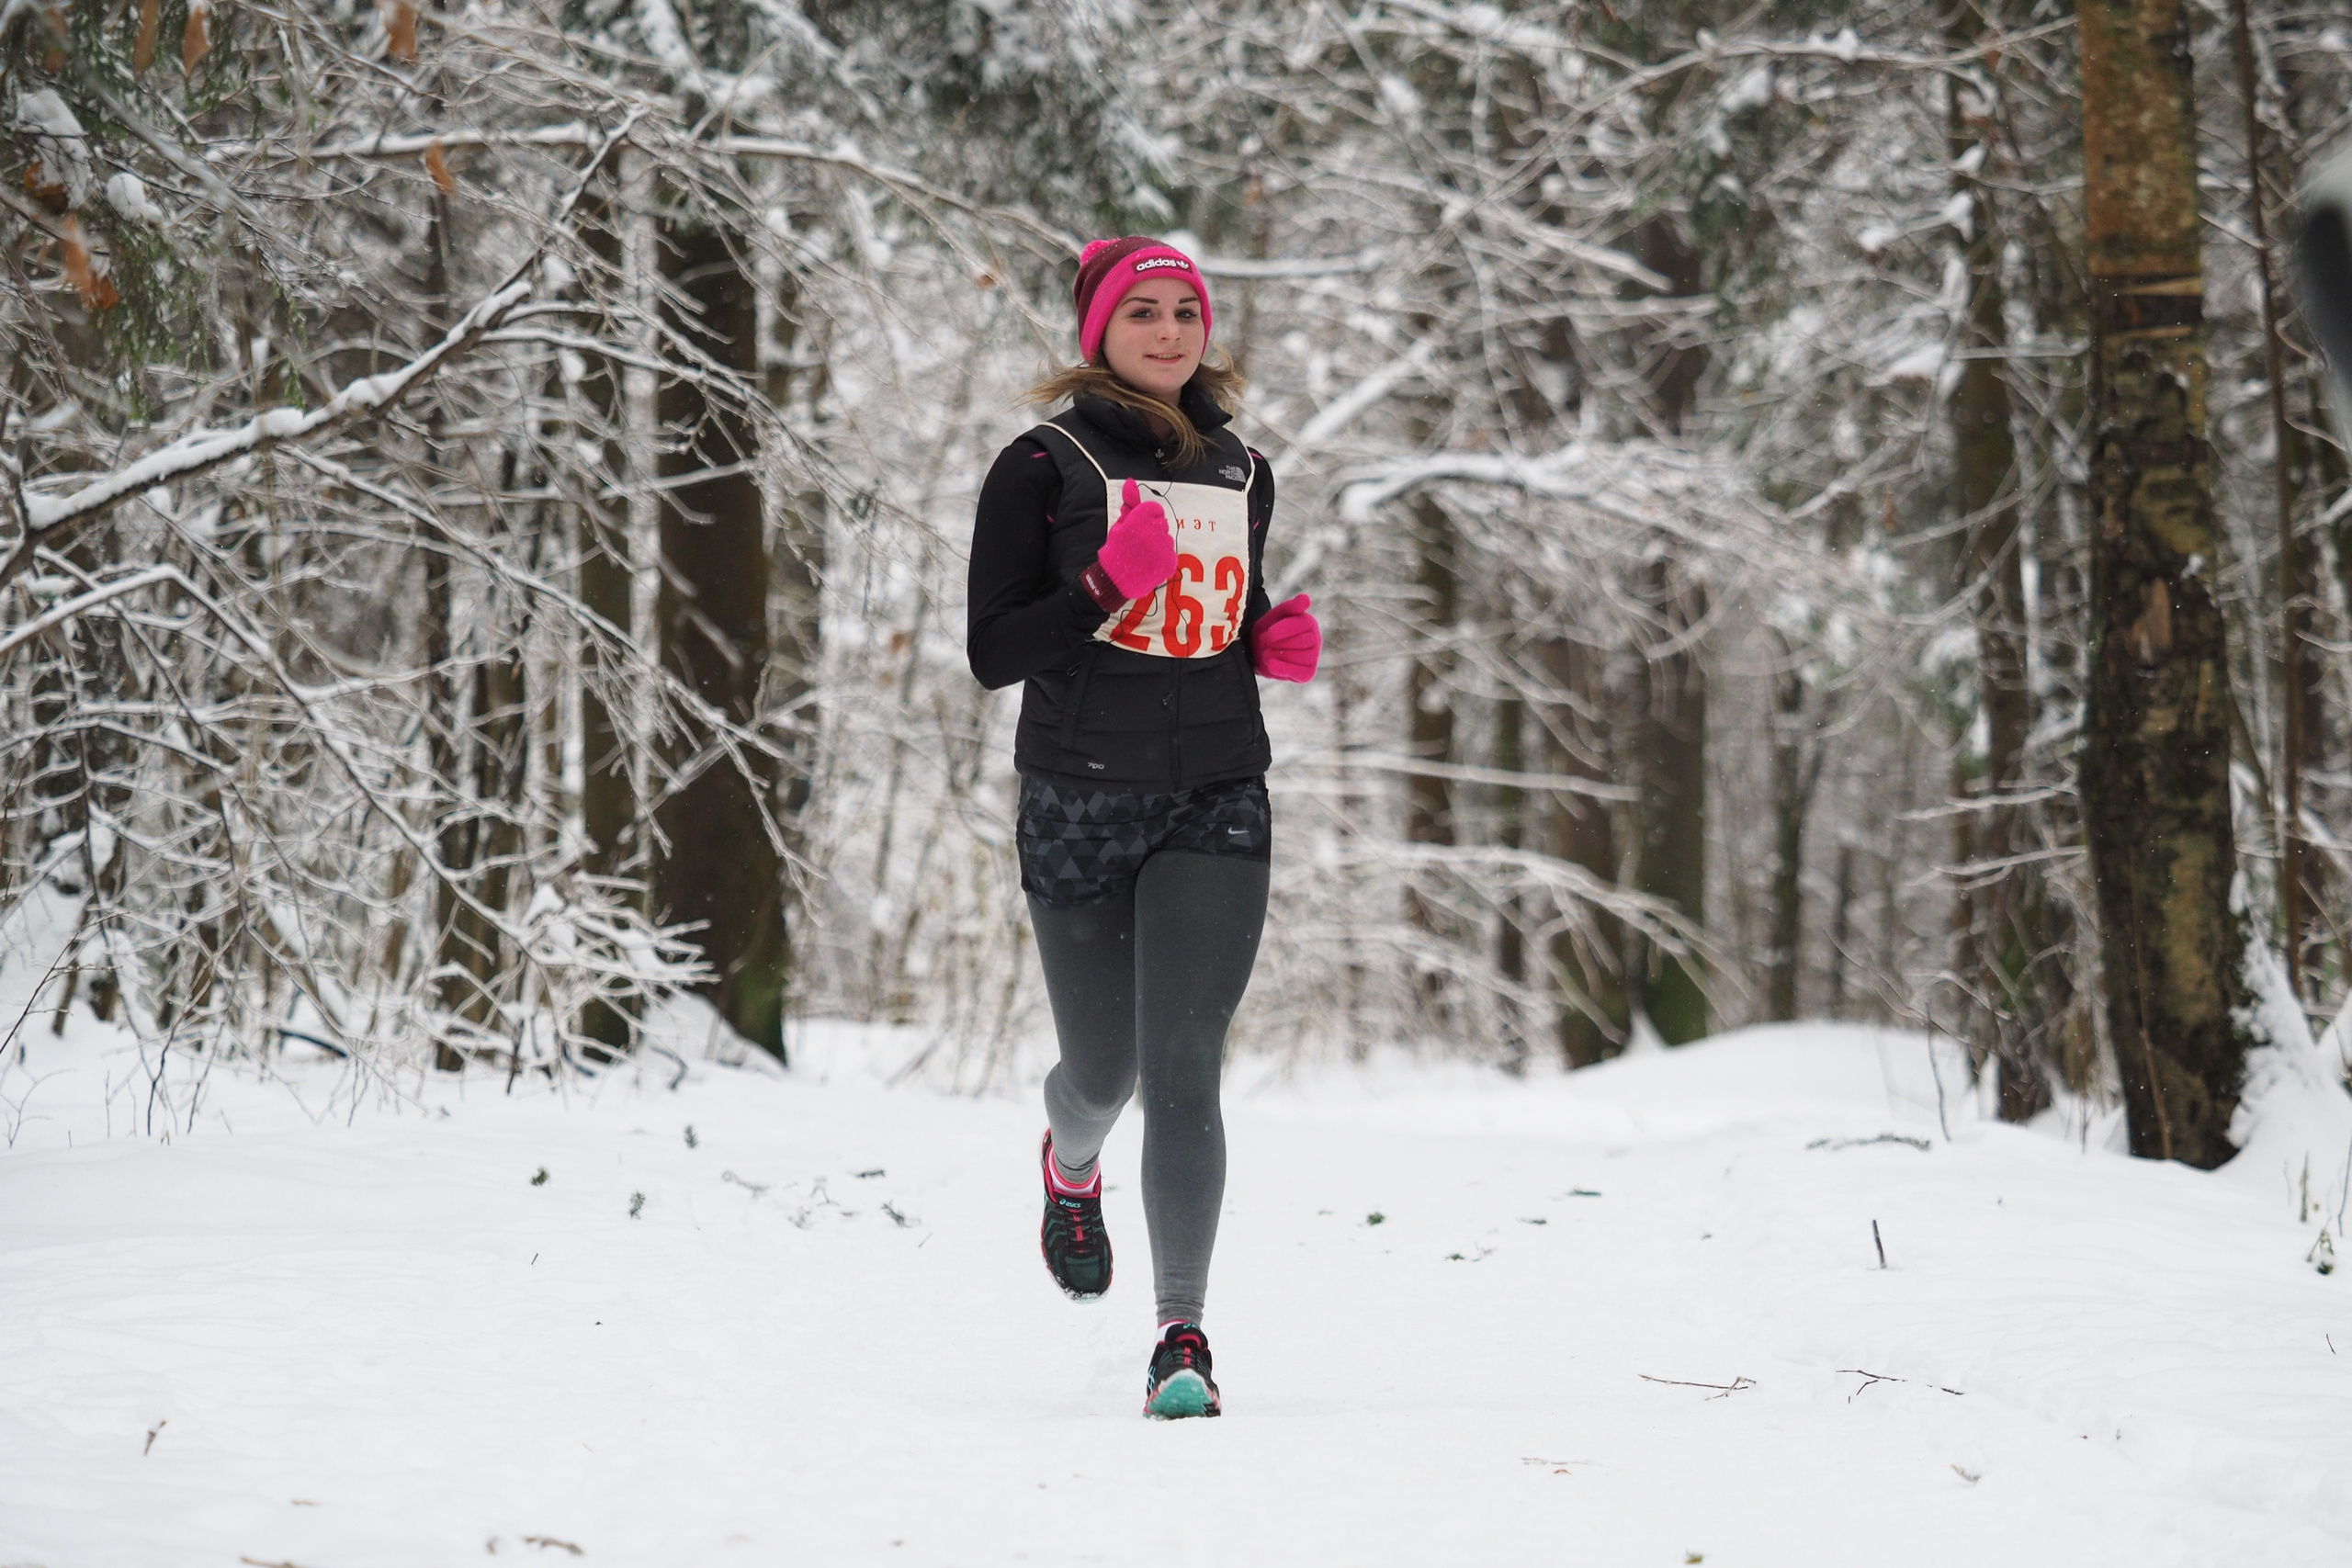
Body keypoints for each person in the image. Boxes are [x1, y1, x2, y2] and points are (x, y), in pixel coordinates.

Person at [966, 236, 1320, 1418]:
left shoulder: (1240, 468)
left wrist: (1266, 639)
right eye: (1143, 312)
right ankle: (1070, 1167)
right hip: (1077, 794)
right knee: (1104, 1070)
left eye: (1185, 312)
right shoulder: (1040, 464)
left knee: (1183, 1070)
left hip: (1216, 792)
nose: (1169, 332)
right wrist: (1097, 591)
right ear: (1098, 331)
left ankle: (1182, 1337)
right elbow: (992, 651)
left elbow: (1230, 605)